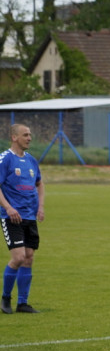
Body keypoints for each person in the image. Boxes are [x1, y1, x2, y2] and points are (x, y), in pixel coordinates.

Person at [0, 123, 45, 314]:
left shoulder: (32, 161)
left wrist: (40, 206)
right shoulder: (5, 159)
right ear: (14, 137)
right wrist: (8, 208)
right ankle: (5, 299)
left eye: (30, 135)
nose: (29, 138)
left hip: (29, 216)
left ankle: (23, 303)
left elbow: (39, 184)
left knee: (29, 258)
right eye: (25, 135)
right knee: (18, 258)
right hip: (12, 217)